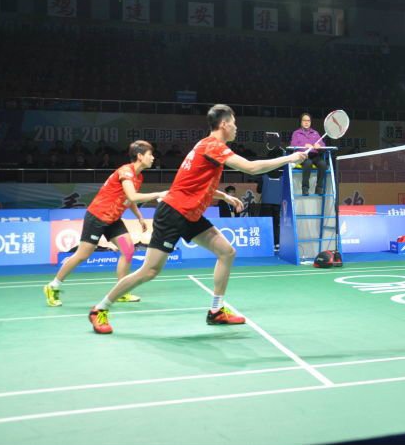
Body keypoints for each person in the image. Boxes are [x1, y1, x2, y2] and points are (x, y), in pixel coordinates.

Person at [87, 104, 307, 334]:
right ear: (224, 124)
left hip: (189, 214)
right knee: (149, 271)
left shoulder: (204, 145)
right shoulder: (213, 146)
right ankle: (100, 309)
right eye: (234, 123)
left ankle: (216, 311)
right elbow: (251, 168)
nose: (236, 128)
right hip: (174, 213)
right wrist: (289, 158)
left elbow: (195, 183)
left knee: (227, 252)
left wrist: (224, 196)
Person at [43, 140, 167, 307]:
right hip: (98, 217)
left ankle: (121, 291)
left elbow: (129, 199)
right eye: (150, 154)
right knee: (82, 255)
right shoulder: (126, 171)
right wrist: (159, 194)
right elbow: (133, 196)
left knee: (128, 250)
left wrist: (139, 216)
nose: (153, 158)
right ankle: (53, 286)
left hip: (113, 220)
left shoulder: (138, 177)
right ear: (139, 156)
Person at [290, 112, 327, 196]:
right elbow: (293, 145)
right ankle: (305, 188)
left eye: (308, 121)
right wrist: (304, 146)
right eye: (304, 120)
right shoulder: (296, 133)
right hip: (302, 155)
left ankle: (319, 188)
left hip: (314, 155)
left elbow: (323, 144)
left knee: (323, 164)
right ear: (301, 122)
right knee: (308, 163)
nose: (306, 122)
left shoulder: (315, 133)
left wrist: (319, 146)